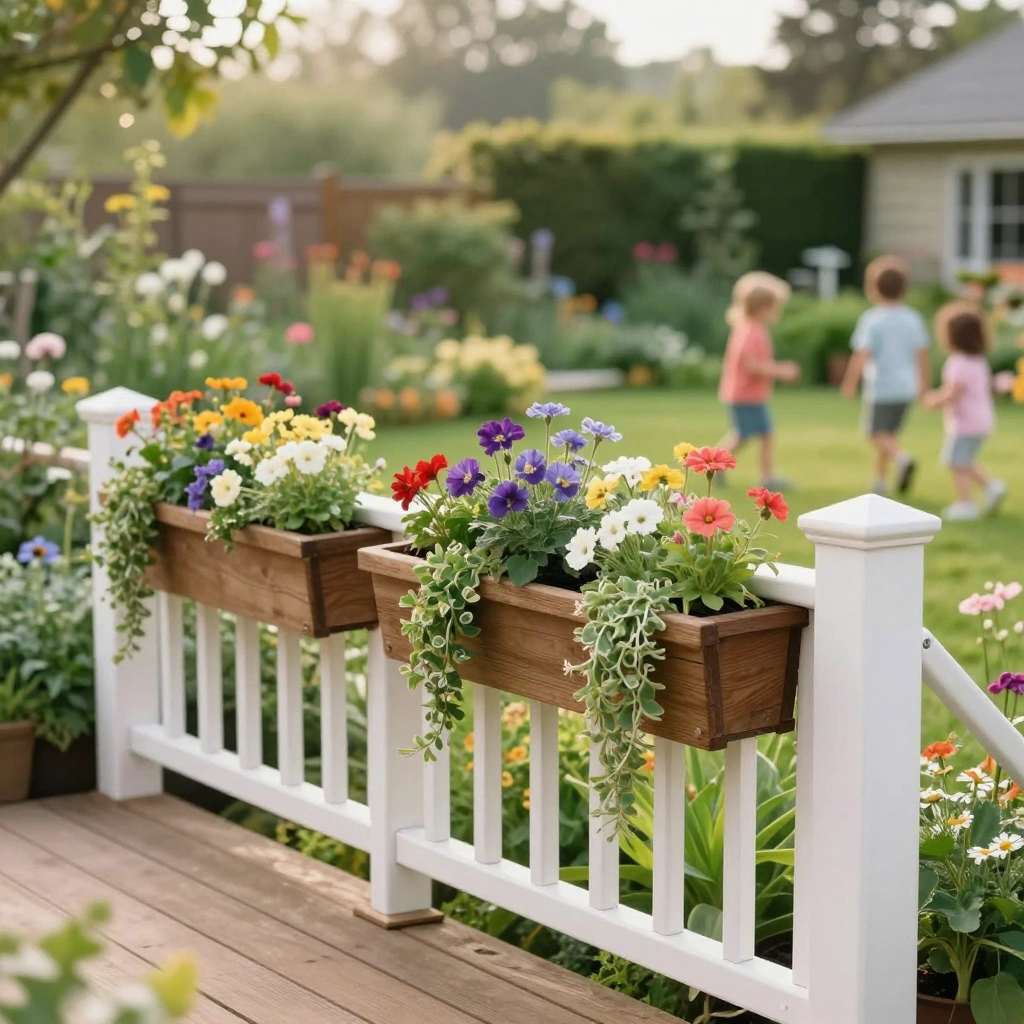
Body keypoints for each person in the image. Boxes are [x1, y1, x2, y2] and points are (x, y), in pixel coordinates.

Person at [842, 255, 930, 495]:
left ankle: (903, 460)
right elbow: (922, 354)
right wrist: (924, 385)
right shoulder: (913, 318)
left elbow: (861, 355)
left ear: (872, 288)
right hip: (906, 387)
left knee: (875, 433)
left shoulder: (872, 320)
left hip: (882, 387)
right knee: (888, 435)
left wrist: (850, 383)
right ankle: (880, 481)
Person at [922, 301, 1005, 521]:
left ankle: (965, 504)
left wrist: (933, 400)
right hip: (982, 421)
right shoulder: (979, 361)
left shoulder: (957, 363)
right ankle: (992, 487)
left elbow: (953, 392)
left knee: (956, 461)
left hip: (966, 423)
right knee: (965, 459)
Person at [717, 271, 801, 488]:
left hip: (747, 394)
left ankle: (716, 465)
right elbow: (751, 365)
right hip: (745, 395)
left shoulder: (751, 328)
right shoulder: (750, 331)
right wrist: (781, 371)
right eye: (775, 307)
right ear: (762, 308)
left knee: (745, 435)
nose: (777, 312)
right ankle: (766, 477)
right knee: (762, 434)